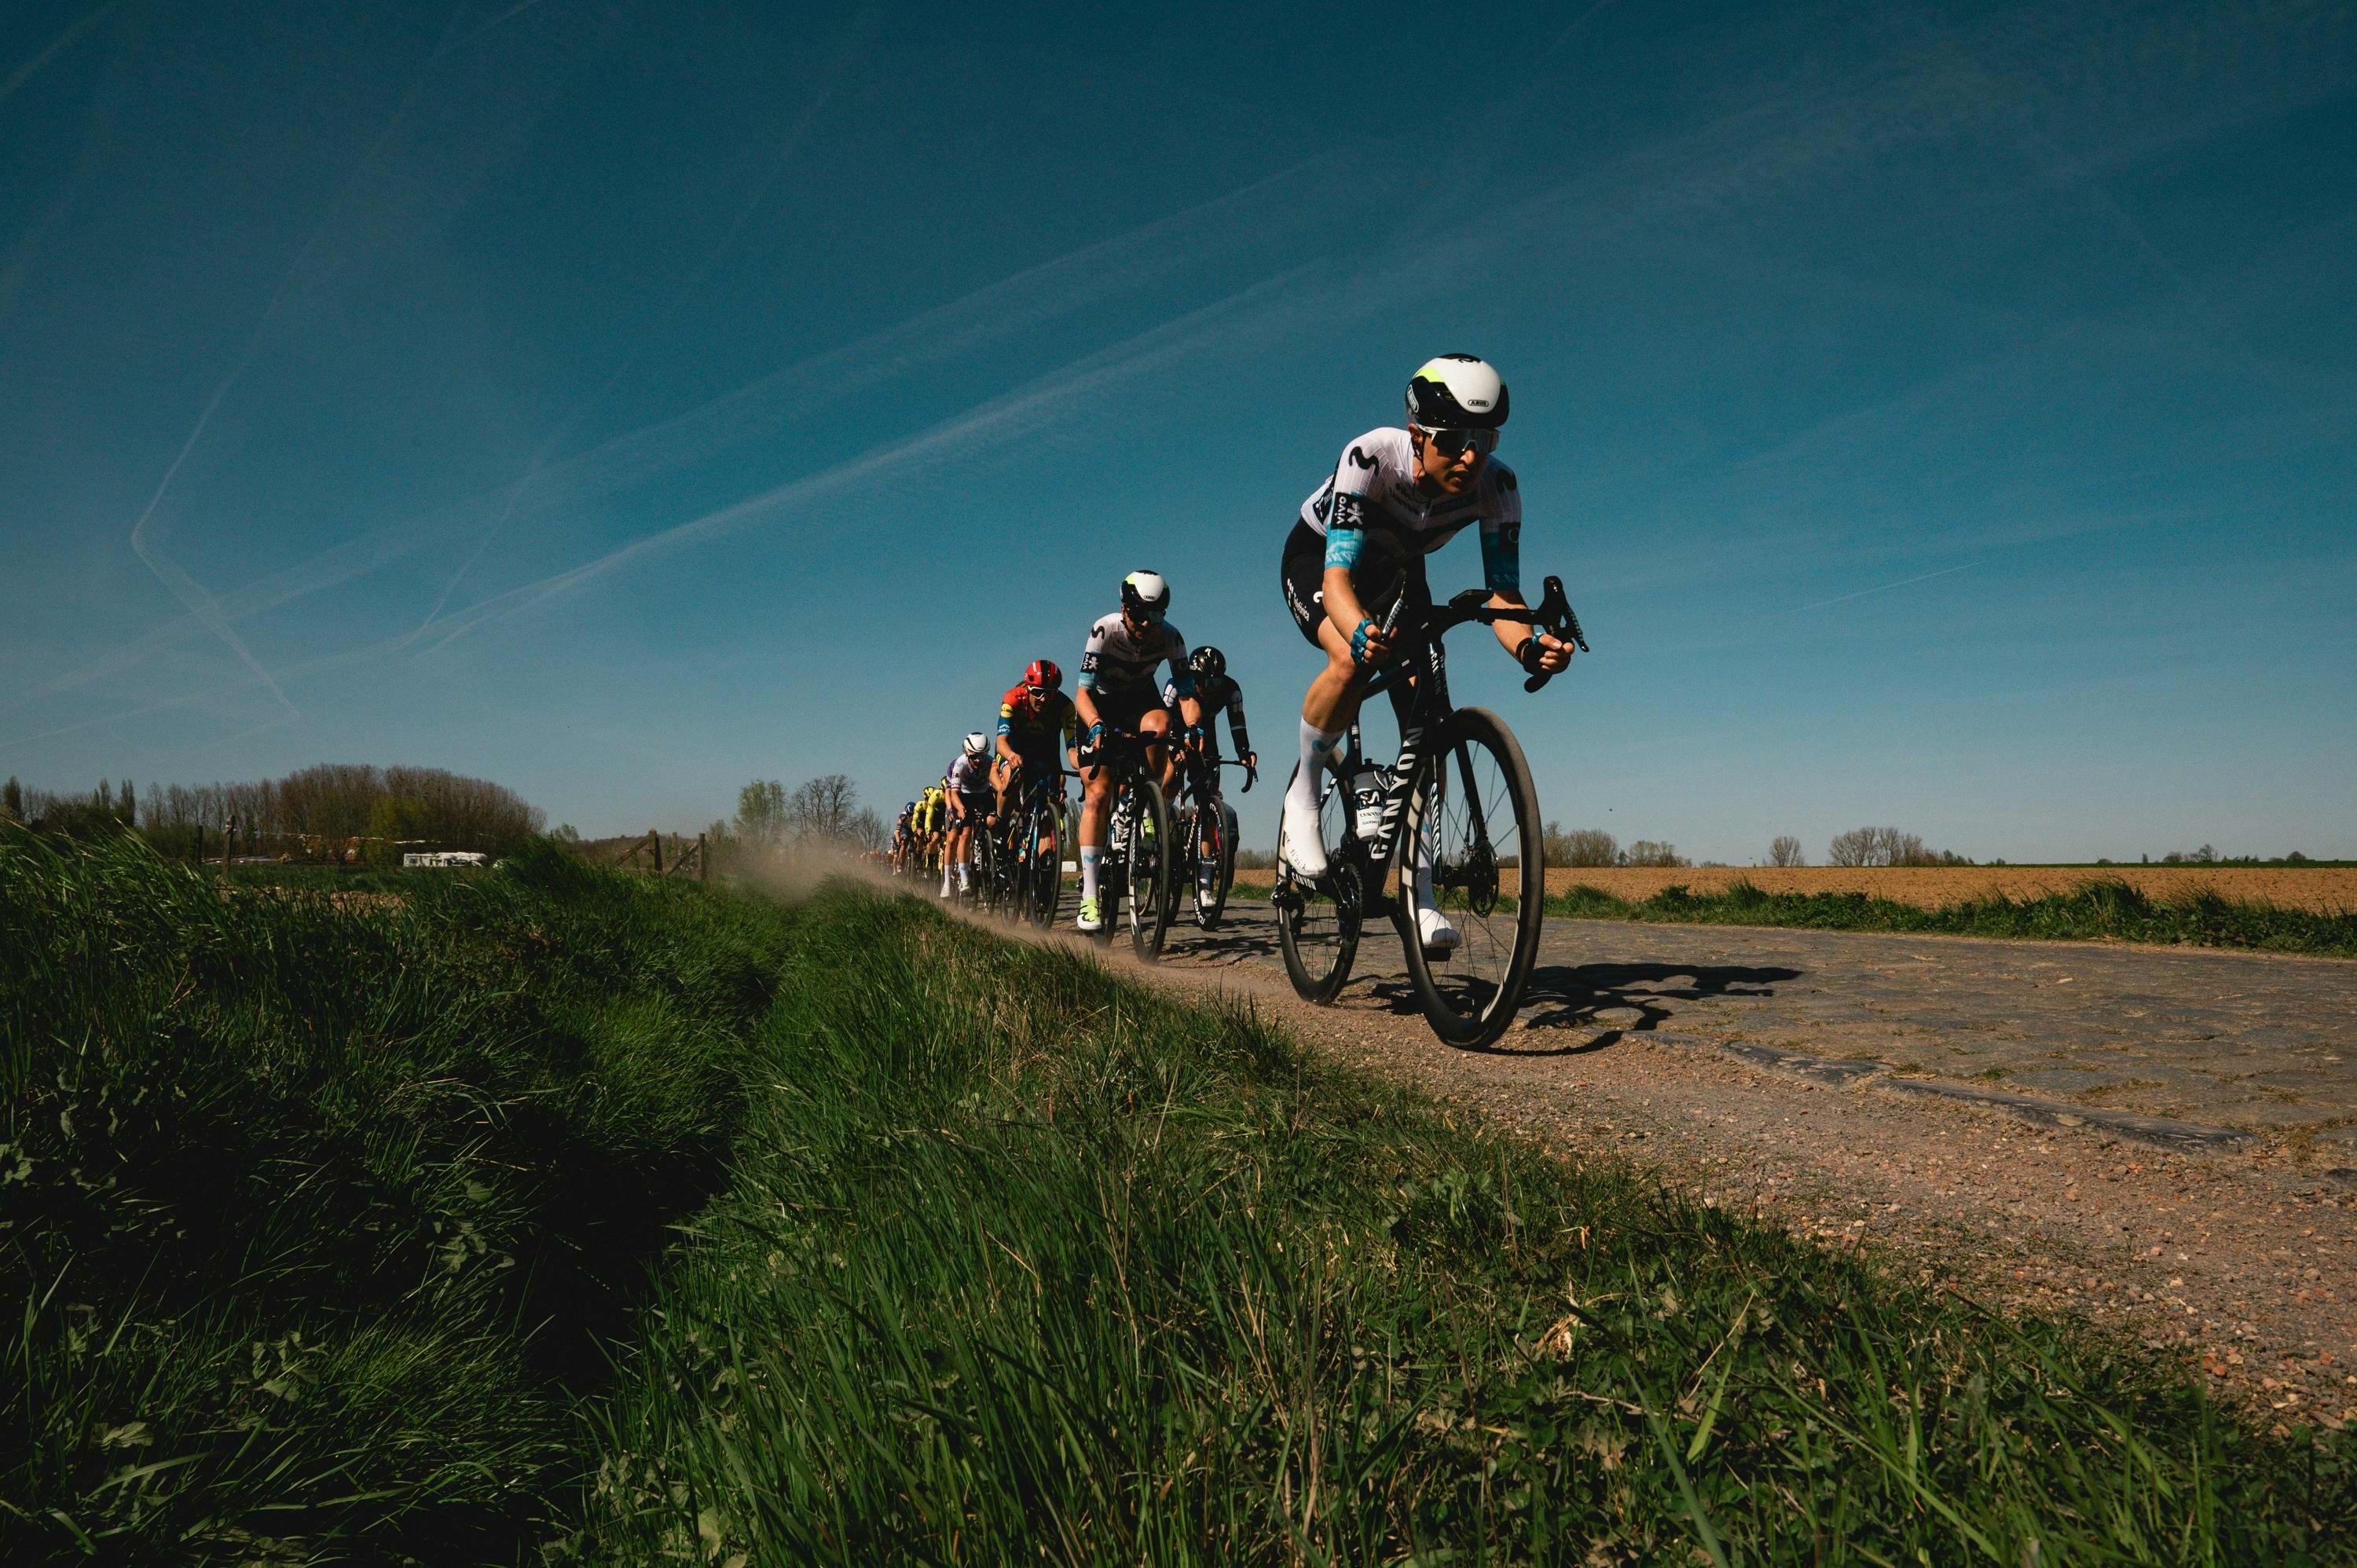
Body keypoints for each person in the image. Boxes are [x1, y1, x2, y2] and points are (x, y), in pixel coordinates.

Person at [1276, 354, 1574, 954]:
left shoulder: (1500, 486)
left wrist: (1529, 646)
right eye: (1456, 439)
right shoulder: (1371, 457)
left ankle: (1422, 897)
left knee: (1427, 725)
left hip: (1402, 573)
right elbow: (1337, 584)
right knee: (1350, 660)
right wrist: (1359, 629)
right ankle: (1302, 800)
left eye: (1485, 439)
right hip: (1320, 560)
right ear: (1418, 434)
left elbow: (1502, 594)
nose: (1472, 455)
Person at [1072, 570, 1200, 932]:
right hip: (1098, 704)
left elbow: (1187, 694)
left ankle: (1147, 799)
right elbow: (1082, 692)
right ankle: (1091, 897)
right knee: (1097, 794)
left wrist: (1194, 728)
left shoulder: (1172, 638)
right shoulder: (1104, 630)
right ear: (1124, 608)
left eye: (1156, 615)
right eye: (1140, 614)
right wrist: (1096, 724)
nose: (1147, 624)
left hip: (1139, 699)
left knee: (1162, 726)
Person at [994, 658, 1080, 833]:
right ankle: (1001, 827)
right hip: (1015, 748)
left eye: (1050, 693)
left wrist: (1085, 768)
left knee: (1051, 802)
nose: (1044, 699)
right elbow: (1001, 742)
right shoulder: (1013, 699)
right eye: (1038, 692)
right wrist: (1011, 755)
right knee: (1014, 778)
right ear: (1027, 689)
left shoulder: (1066, 706)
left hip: (1046, 750)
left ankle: (1043, 852)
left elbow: (1072, 750)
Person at [1164, 644, 1258, 805]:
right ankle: (1159, 809)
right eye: (1206, 683)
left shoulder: (1231, 689)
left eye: (1216, 682)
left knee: (1210, 791)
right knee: (1171, 772)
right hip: (1176, 727)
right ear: (1194, 678)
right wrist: (1175, 745)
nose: (1211, 689)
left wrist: (1243, 752)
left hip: (1206, 731)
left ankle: (1207, 819)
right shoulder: (1177, 685)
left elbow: (1237, 723)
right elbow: (1165, 718)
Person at [941, 733, 992, 899]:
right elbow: (952, 793)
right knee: (958, 835)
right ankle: (950, 882)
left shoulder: (991, 762)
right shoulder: (958, 765)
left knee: (992, 821)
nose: (979, 760)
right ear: (967, 753)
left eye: (982, 756)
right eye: (974, 756)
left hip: (982, 794)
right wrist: (958, 809)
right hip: (961, 796)